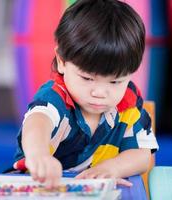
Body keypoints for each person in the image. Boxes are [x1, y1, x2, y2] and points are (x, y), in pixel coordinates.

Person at [12, 0, 159, 188]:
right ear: (62, 62)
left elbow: (142, 155)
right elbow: (37, 124)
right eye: (87, 78)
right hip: (41, 188)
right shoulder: (56, 98)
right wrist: (38, 154)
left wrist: (112, 168)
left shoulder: (128, 101)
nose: (99, 92)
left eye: (115, 81)